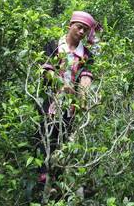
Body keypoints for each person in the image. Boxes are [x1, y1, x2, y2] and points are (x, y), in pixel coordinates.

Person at [37, 11, 101, 184]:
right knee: (45, 135)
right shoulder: (53, 45)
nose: (81, 32)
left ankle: (58, 179)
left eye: (85, 30)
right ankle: (42, 176)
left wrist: (82, 99)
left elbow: (86, 78)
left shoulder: (86, 54)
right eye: (79, 27)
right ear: (70, 26)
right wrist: (62, 85)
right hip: (51, 99)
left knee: (65, 139)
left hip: (70, 105)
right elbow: (47, 70)